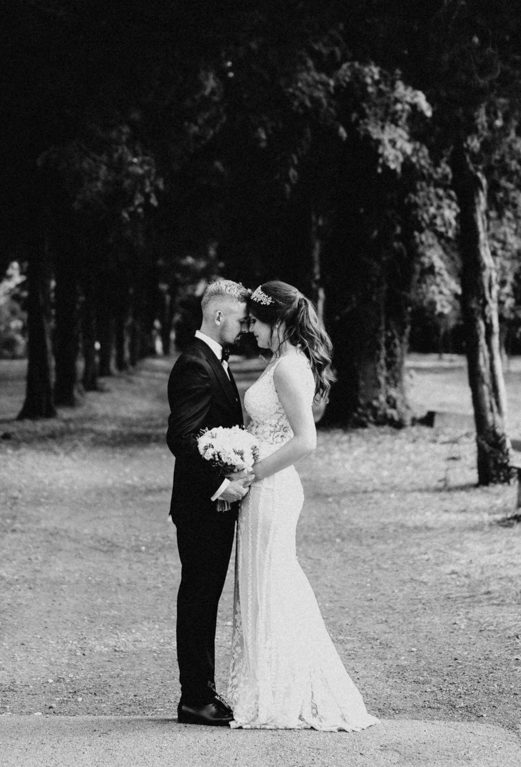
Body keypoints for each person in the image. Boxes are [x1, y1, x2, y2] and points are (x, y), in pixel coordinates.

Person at [226, 281, 377, 731]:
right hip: (263, 485)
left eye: (256, 322)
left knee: (274, 581)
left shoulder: (289, 368)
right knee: (263, 582)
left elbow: (305, 440)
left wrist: (253, 472)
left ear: (279, 322)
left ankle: (287, 692)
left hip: (272, 488)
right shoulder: (280, 361)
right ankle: (269, 685)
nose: (250, 330)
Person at [165, 279, 254, 726]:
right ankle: (195, 697)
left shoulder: (213, 360)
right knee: (199, 598)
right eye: (241, 319)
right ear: (219, 316)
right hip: (202, 505)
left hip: (210, 506)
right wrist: (221, 485)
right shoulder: (195, 365)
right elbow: (182, 438)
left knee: (205, 596)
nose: (245, 327)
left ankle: (202, 692)